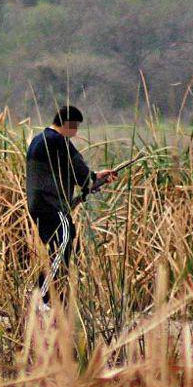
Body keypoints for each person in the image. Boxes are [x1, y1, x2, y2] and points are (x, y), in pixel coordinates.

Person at [26, 105, 116, 309]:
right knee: (63, 245)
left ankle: (50, 299)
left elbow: (73, 172)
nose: (75, 133)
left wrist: (95, 176)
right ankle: (42, 298)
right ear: (68, 124)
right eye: (75, 127)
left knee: (56, 249)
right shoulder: (58, 141)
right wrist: (92, 180)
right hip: (53, 205)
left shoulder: (39, 140)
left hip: (37, 204)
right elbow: (80, 173)